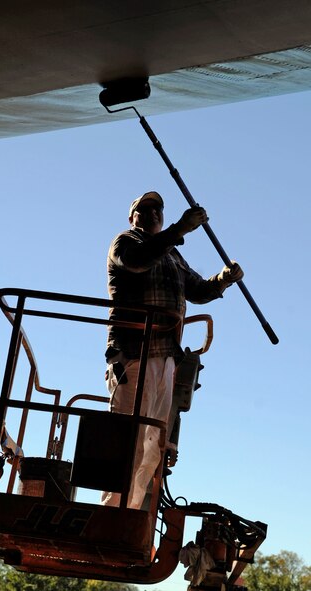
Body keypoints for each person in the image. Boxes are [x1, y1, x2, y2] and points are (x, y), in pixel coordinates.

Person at [101, 191, 243, 510]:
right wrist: (178, 229)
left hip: (165, 357)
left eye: (157, 210)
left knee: (153, 442)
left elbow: (198, 290)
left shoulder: (172, 257)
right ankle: (110, 512)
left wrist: (223, 278)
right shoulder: (125, 242)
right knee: (128, 437)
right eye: (144, 209)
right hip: (133, 353)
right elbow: (136, 262)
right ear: (132, 217)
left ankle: (131, 512)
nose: (152, 214)